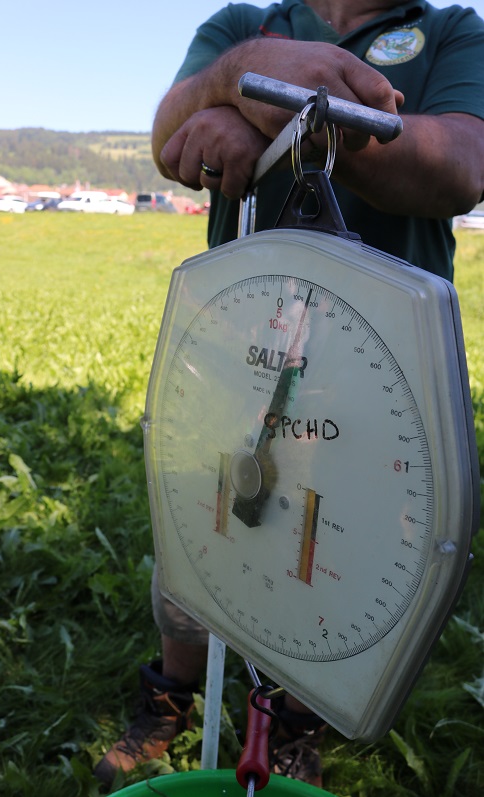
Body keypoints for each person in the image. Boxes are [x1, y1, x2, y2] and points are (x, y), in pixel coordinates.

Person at [94, 0, 484, 789]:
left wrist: (278, 120)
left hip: (375, 370)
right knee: (201, 514)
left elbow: (461, 164)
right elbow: (172, 135)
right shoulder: (245, 24)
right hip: (230, 344)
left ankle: (293, 722)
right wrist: (242, 74)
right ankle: (172, 695)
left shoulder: (451, 32)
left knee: (328, 545)